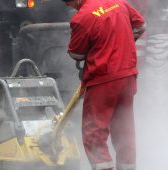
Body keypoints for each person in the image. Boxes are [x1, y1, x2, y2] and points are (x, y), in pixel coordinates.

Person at [62, 0, 146, 169]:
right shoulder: (117, 2)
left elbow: (77, 54)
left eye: (70, 3)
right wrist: (121, 42)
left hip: (103, 81)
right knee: (124, 132)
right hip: (128, 77)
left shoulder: (82, 18)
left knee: (94, 135)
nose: (70, 7)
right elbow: (140, 26)